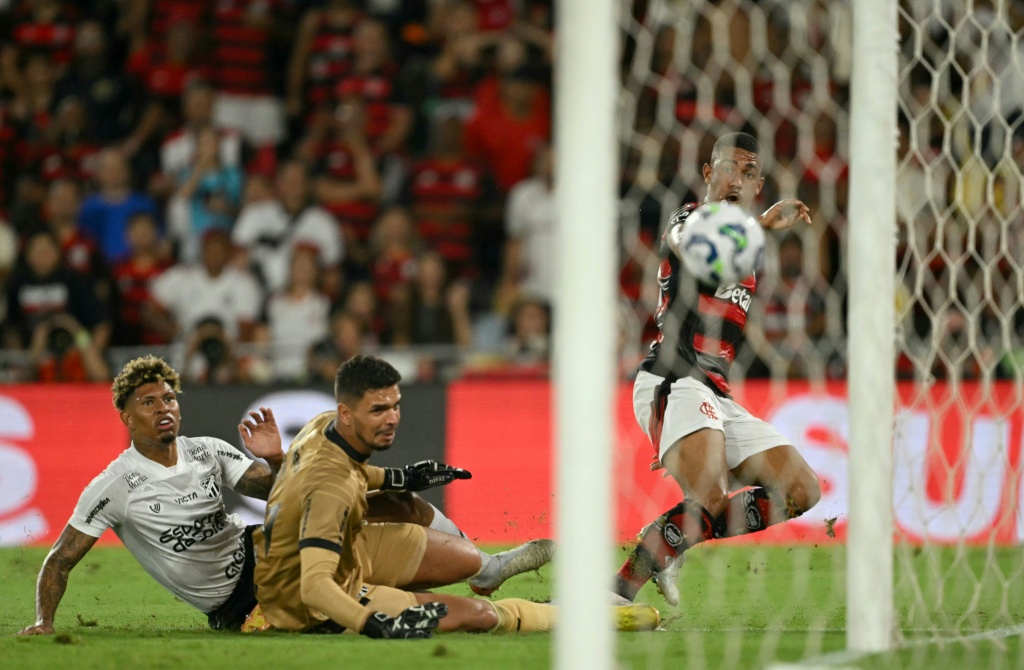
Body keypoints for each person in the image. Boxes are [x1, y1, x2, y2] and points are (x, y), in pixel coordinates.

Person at [16, 355, 551, 635]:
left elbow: (280, 491)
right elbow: (60, 560)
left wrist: (275, 458)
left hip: (272, 548)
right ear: (125, 414)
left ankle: (487, 569)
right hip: (248, 601)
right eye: (149, 401)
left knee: (390, 502)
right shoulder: (113, 486)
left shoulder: (206, 450)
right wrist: (45, 621)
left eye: (170, 398)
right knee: (447, 612)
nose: (165, 409)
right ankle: (515, 610)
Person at [248, 354, 659, 636]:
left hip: (345, 547)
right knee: (477, 615)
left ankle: (488, 571)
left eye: (395, 405)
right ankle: (575, 616)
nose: (392, 419)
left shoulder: (322, 428)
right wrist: (373, 623)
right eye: (378, 411)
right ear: (346, 412)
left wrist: (404, 476)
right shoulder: (330, 489)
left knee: (450, 545)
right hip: (312, 601)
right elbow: (315, 585)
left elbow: (350, 474)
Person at [614, 132, 822, 606]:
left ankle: (666, 539)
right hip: (674, 377)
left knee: (801, 490)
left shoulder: (749, 253)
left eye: (748, 173)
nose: (736, 180)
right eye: (728, 168)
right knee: (709, 499)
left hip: (716, 391)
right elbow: (691, 245)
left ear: (758, 185)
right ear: (709, 173)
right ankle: (619, 591)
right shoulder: (689, 217)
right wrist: (761, 225)